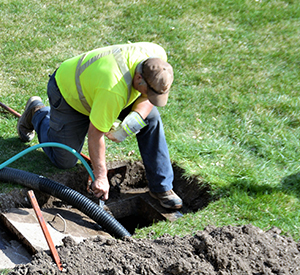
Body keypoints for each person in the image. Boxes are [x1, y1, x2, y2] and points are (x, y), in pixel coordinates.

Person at [17, 42, 182, 210]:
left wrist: (132, 123)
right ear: (139, 78)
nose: (150, 97)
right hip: (70, 94)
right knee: (64, 160)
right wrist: (101, 177)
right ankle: (37, 112)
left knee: (151, 119)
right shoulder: (113, 90)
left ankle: (161, 187)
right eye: (149, 92)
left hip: (98, 88)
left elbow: (147, 101)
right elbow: (95, 134)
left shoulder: (157, 57)